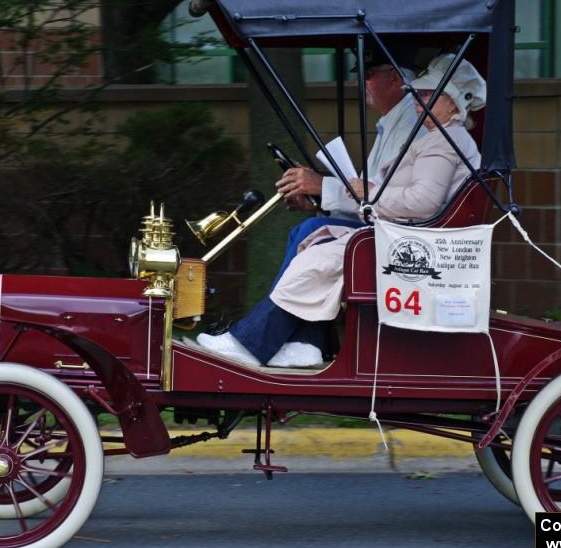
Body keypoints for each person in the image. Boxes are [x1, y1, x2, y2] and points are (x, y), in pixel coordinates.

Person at [198, 54, 486, 367]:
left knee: (316, 259)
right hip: (402, 236)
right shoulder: (442, 138)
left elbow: (423, 202)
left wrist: (370, 193)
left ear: (454, 103)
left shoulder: (445, 141)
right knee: (313, 242)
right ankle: (304, 343)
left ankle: (250, 344)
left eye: (429, 94)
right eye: (419, 93)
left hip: (410, 244)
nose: (418, 99)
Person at [270, 40, 425, 287]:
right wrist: (320, 201)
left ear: (395, 78)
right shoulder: (395, 121)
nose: (359, 82)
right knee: (307, 229)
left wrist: (322, 187)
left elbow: (378, 199)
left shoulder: (412, 124)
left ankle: (270, 322)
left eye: (368, 75)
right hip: (384, 230)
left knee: (311, 230)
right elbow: (369, 197)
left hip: (397, 238)